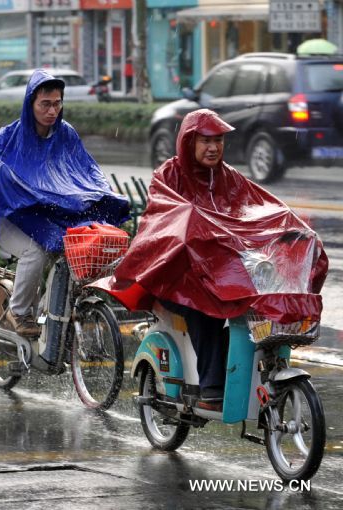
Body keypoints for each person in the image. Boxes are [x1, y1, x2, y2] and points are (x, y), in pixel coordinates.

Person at [93, 109, 328, 402]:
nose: (213, 147)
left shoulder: (228, 177)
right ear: (188, 143)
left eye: (218, 140)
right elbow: (167, 221)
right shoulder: (168, 176)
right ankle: (211, 386)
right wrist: (197, 226)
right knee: (204, 309)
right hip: (173, 274)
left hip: (221, 273)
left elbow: (263, 209)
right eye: (205, 140)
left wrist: (292, 228)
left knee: (260, 308)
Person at [0, 68, 129, 337]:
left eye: (57, 103)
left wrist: (105, 195)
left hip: (48, 217)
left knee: (73, 253)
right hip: (10, 217)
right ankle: (19, 312)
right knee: (35, 252)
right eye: (45, 104)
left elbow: (87, 171)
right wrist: (20, 190)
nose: (52, 111)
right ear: (30, 103)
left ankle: (48, 311)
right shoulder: (5, 138)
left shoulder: (67, 135)